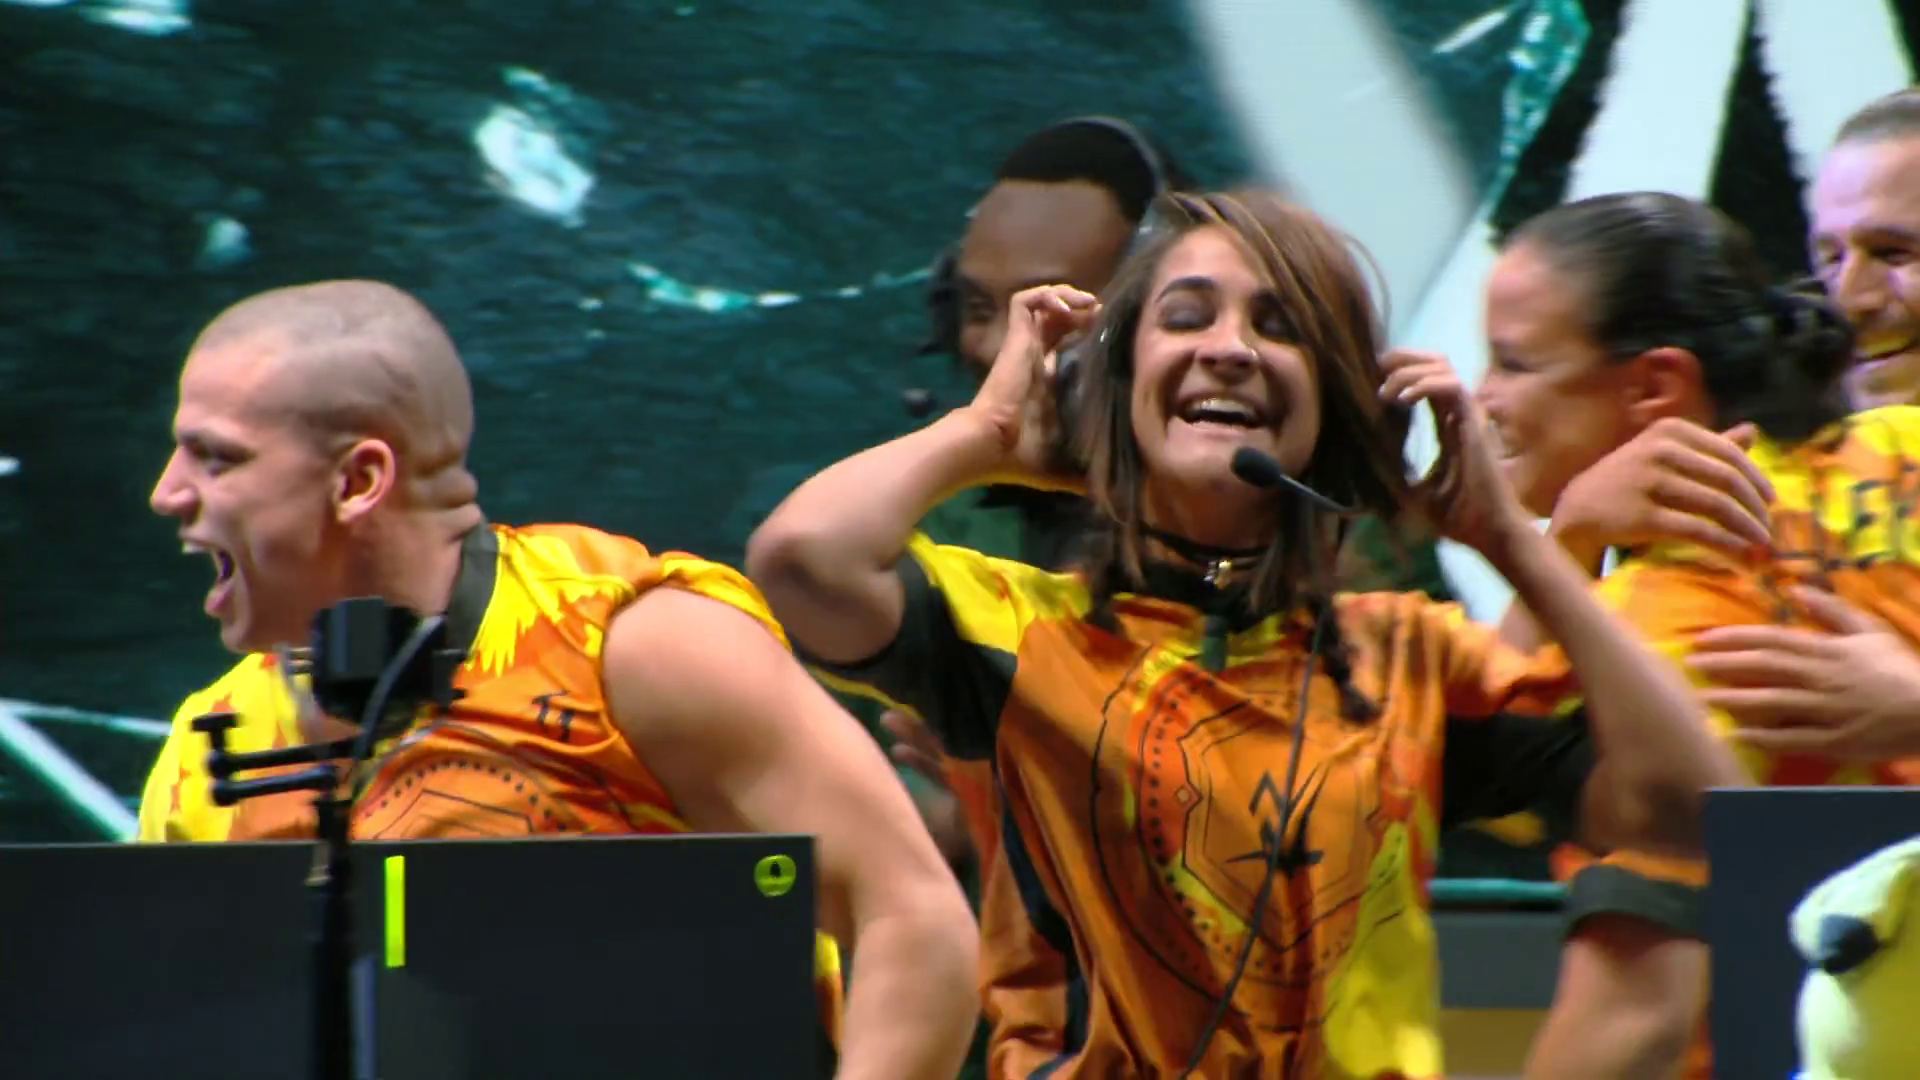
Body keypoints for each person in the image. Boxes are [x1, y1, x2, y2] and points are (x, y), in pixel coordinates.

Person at [747, 189, 1743, 1077]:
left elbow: (1703, 811)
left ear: (1338, 407)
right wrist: (987, 437)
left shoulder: (1411, 660)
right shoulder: (1021, 629)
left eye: (1279, 327)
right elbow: (803, 559)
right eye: (1186, 317)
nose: (1229, 347)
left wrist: (1518, 544)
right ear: (1119, 384)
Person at [133, 279, 980, 1080]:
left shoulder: (637, 648)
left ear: (359, 480)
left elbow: (912, 923)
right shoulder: (209, 750)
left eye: (215, 458)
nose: (166, 493)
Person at [1441, 191, 1920, 1080]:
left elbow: (1632, 1018)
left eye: (1514, 362)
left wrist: (1553, 544)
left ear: (1654, 387)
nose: (1484, 397)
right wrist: (1570, 537)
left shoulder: (1669, 619)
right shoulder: (1902, 448)